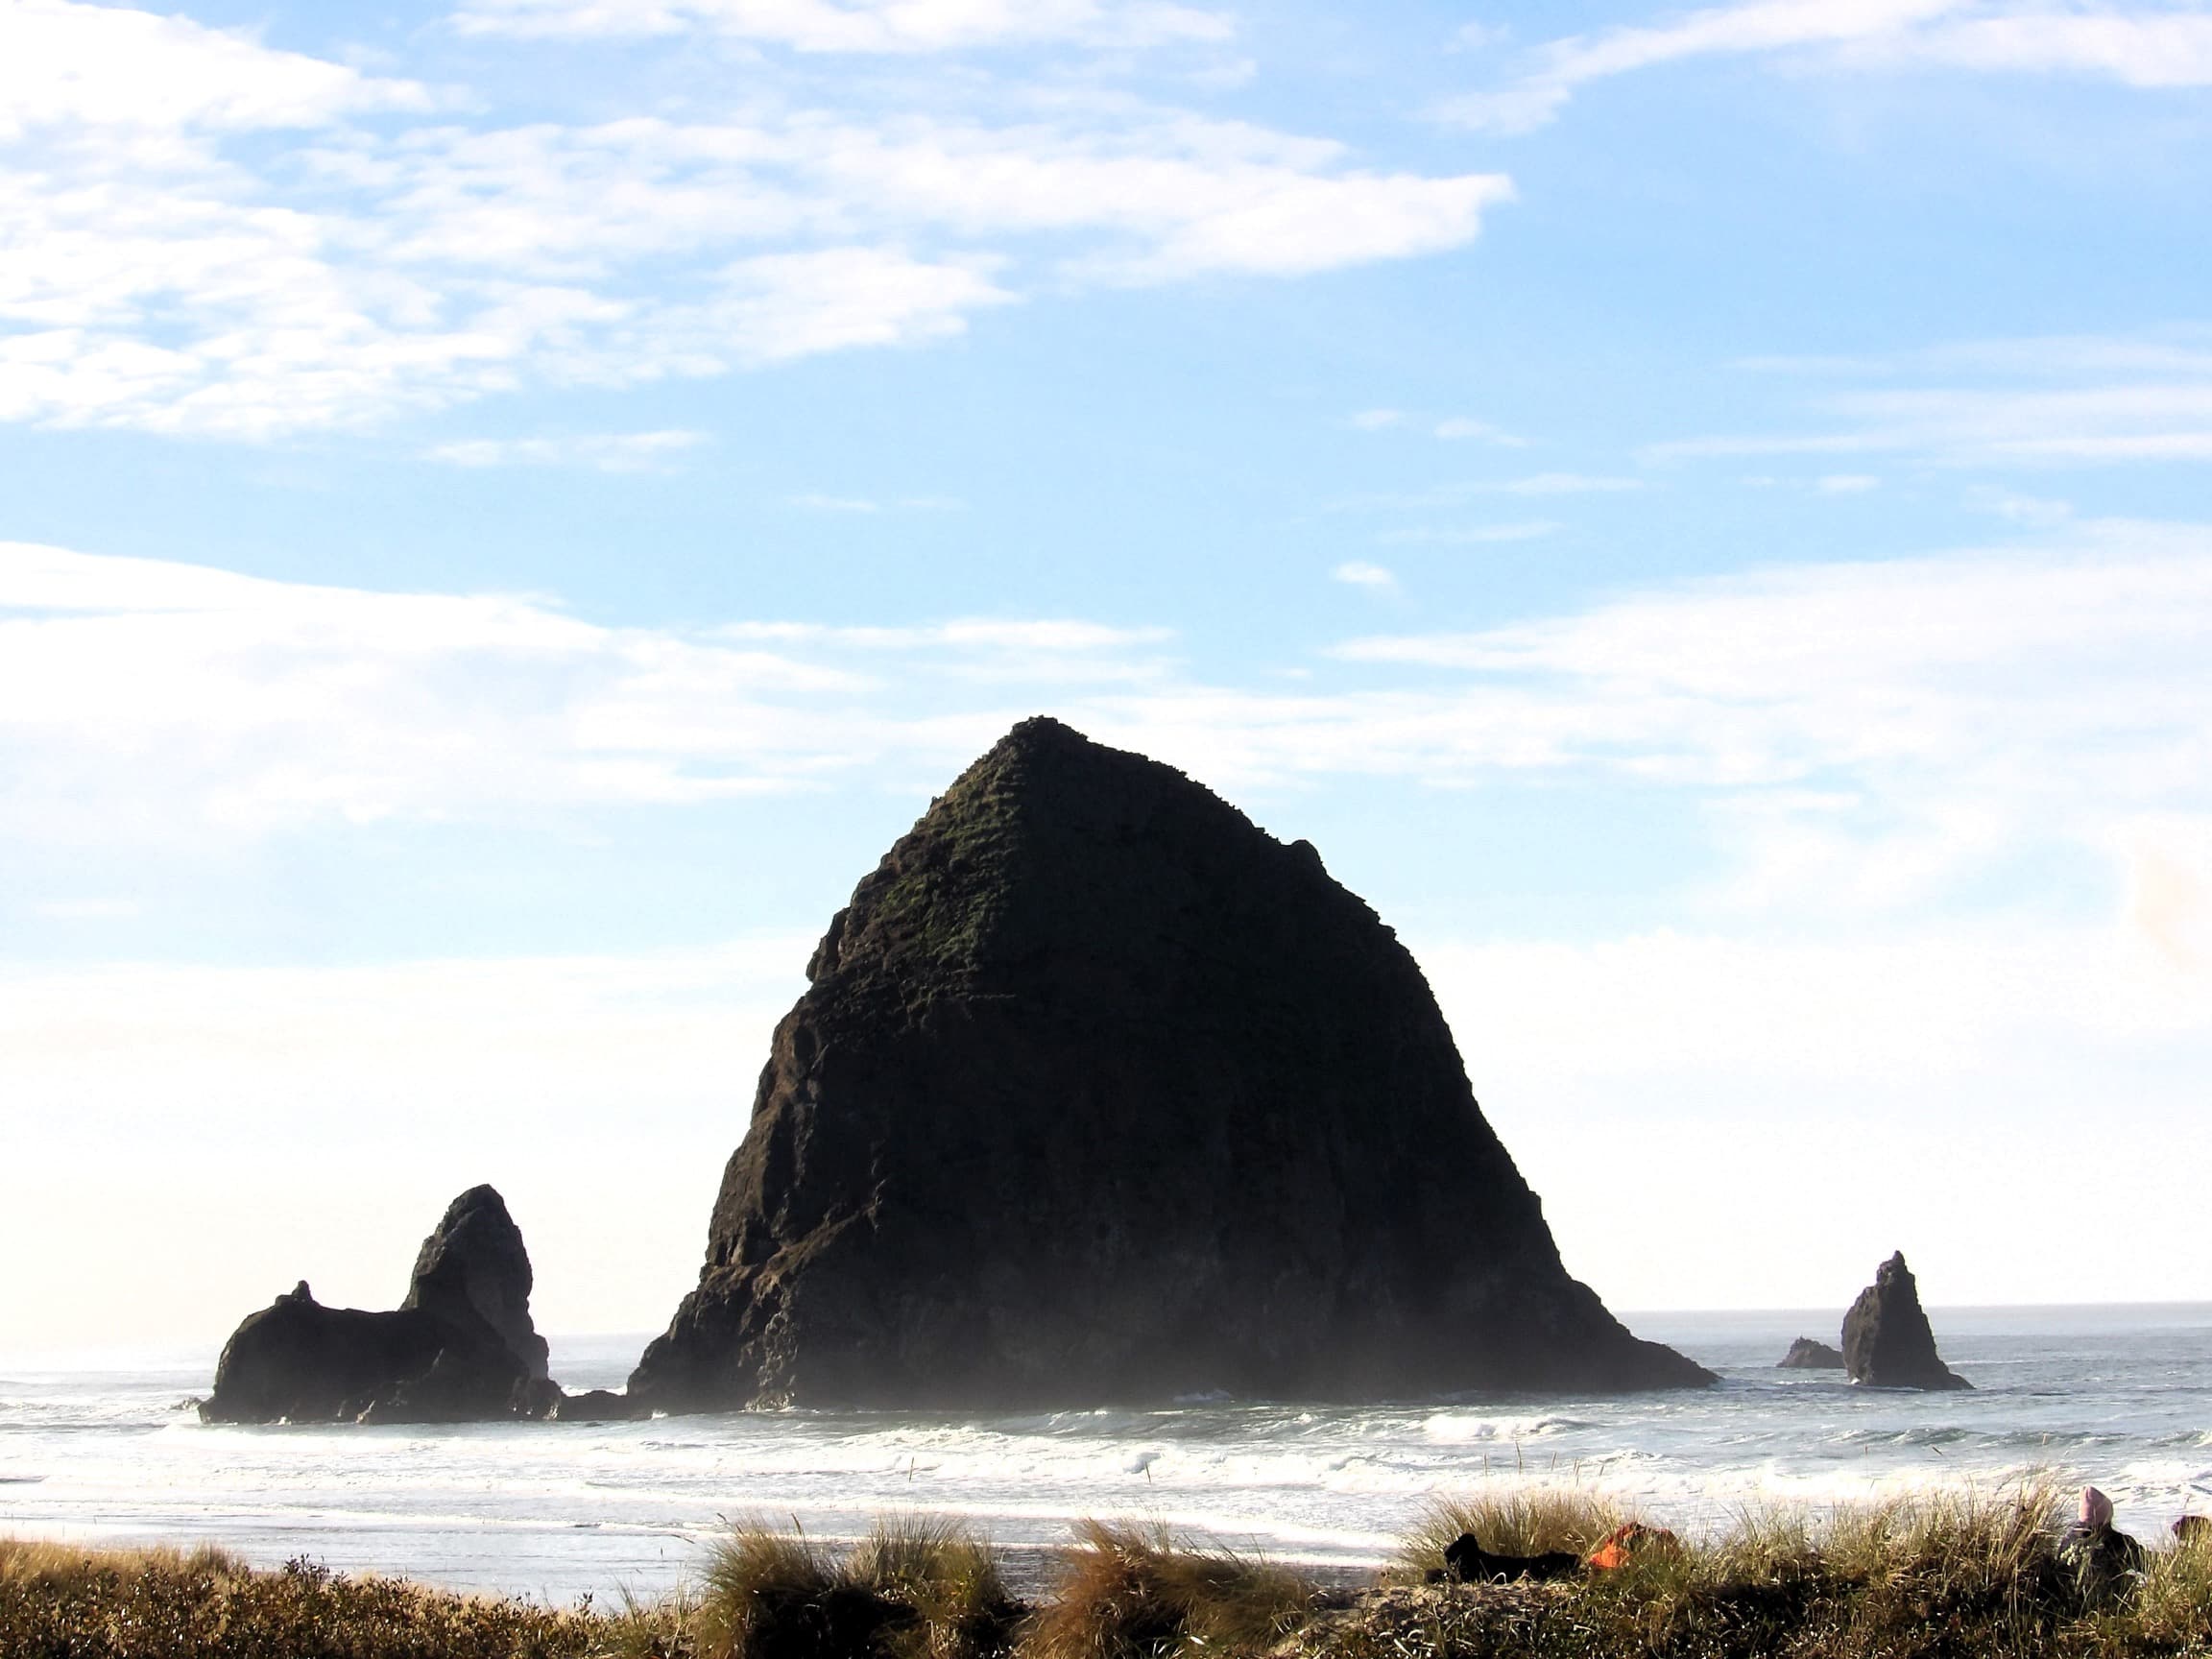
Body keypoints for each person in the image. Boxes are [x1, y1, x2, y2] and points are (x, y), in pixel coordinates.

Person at [2059, 1486, 2145, 1601]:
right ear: (2107, 1518)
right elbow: (2147, 1563)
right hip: (2106, 1603)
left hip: (2067, 1602)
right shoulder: (2116, 1541)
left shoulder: (2068, 1540)